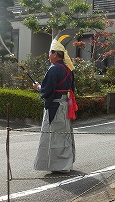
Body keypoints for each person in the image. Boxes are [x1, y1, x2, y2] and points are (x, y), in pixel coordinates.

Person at [32, 29, 78, 174]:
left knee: (54, 137)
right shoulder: (68, 69)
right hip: (65, 106)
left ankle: (60, 166)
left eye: (50, 53)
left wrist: (39, 87)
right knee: (64, 135)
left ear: (55, 54)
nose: (49, 56)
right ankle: (66, 163)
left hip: (55, 107)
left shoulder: (53, 69)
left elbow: (47, 90)